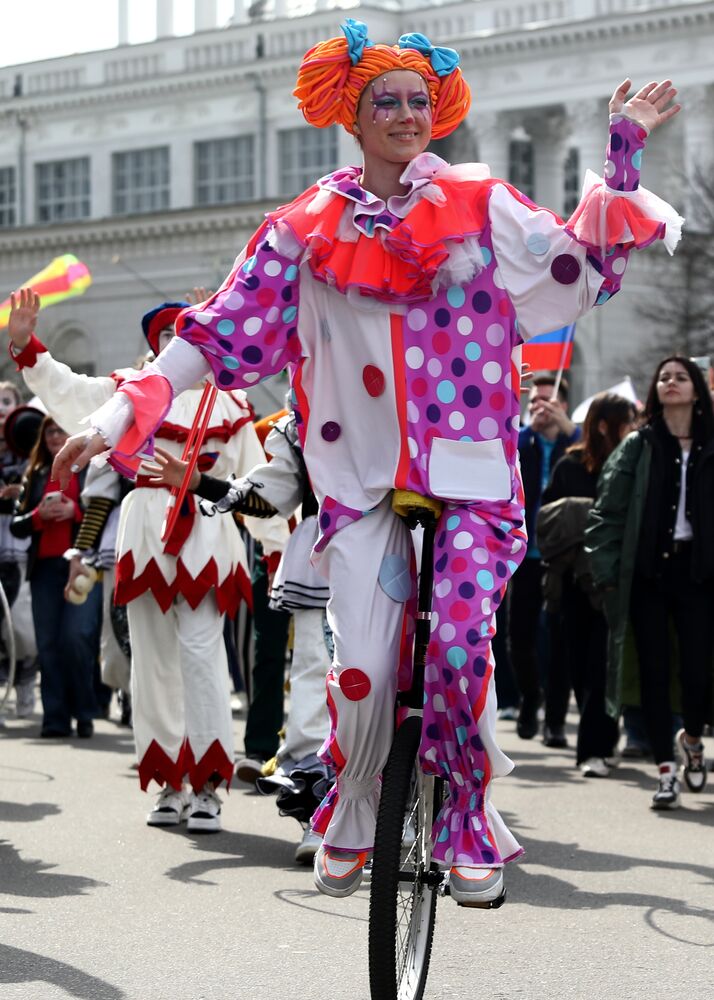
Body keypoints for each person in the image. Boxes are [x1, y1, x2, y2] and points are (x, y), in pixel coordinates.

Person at [52, 21, 681, 902]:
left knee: (459, 651)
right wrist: (124, 407)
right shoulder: (306, 226)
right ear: (353, 113)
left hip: (468, 474)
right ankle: (353, 800)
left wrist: (622, 154)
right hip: (358, 480)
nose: (406, 115)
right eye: (386, 100)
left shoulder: (480, 202)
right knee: (363, 671)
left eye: (420, 101)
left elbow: (574, 268)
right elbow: (220, 328)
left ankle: (463, 815)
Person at [7, 296, 266, 831]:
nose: (180, 340)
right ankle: (170, 781)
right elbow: (72, 394)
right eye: (169, 334)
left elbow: (256, 483)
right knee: (151, 663)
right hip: (145, 529)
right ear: (157, 347)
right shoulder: (131, 391)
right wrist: (27, 347)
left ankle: (209, 785)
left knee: (202, 658)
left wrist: (280, 542)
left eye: (189, 331)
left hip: (207, 528)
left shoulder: (230, 403)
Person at [586, 357, 714, 808]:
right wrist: (606, 578)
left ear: (697, 389)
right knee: (655, 676)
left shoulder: (711, 444)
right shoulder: (638, 445)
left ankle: (692, 739)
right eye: (663, 377)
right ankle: (666, 771)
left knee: (699, 675)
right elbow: (606, 514)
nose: (671, 383)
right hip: (648, 577)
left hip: (699, 576)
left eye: (680, 377)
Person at [538, 393, 637, 777]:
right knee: (581, 663)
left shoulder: (631, 466)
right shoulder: (570, 464)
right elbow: (547, 520)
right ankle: (600, 739)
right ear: (603, 425)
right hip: (575, 582)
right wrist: (588, 512)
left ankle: (594, 747)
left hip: (617, 580)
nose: (631, 429)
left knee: (606, 663)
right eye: (626, 422)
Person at [10, 416, 101, 737]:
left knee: (75, 638)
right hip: (45, 571)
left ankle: (84, 711)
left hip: (83, 567)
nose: (54, 436)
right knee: (47, 645)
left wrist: (73, 512)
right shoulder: (34, 474)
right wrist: (39, 516)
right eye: (49, 431)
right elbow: (16, 524)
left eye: (60, 429)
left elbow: (103, 514)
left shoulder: (90, 469)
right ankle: (55, 718)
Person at [509, 374, 581, 746]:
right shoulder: (523, 441)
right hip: (524, 555)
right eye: (533, 402)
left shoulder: (576, 438)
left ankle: (555, 722)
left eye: (546, 401)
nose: (539, 407)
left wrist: (568, 430)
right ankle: (529, 695)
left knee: (559, 640)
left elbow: (594, 457)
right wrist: (526, 430)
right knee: (518, 637)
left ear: (563, 405)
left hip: (564, 556)